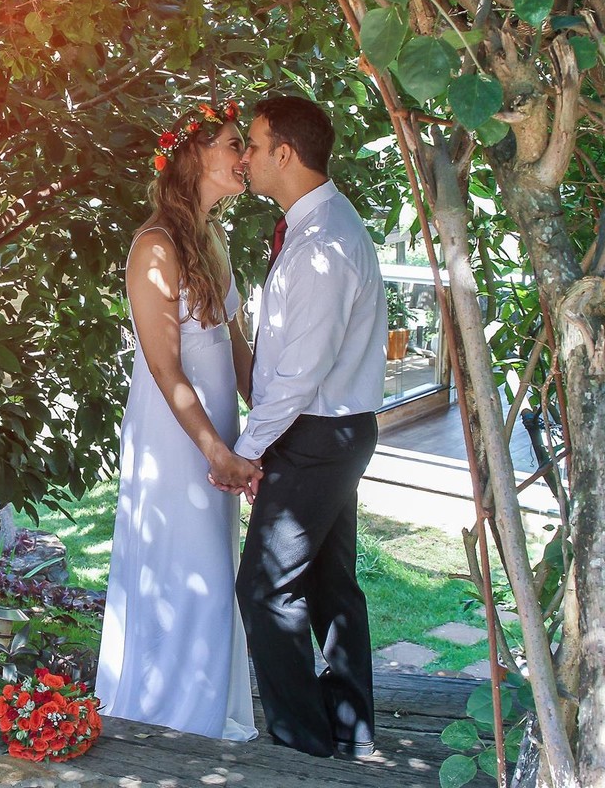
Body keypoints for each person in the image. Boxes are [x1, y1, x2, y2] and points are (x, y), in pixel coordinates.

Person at [226, 95, 387, 758]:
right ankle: (348, 730)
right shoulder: (320, 223)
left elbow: (299, 373)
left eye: (254, 146)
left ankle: (300, 742)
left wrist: (245, 450)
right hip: (332, 429)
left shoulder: (324, 242)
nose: (245, 159)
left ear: (284, 154)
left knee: (264, 588)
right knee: (327, 584)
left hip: (316, 434)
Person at [96, 100, 261, 741]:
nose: (242, 155)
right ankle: (165, 726)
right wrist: (214, 450)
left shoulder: (212, 243)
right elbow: (167, 370)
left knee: (215, 576)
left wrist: (276, 423)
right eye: (230, 143)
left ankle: (200, 719)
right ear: (193, 157)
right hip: (177, 443)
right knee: (183, 572)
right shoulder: (155, 248)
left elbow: (240, 359)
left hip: (215, 440)